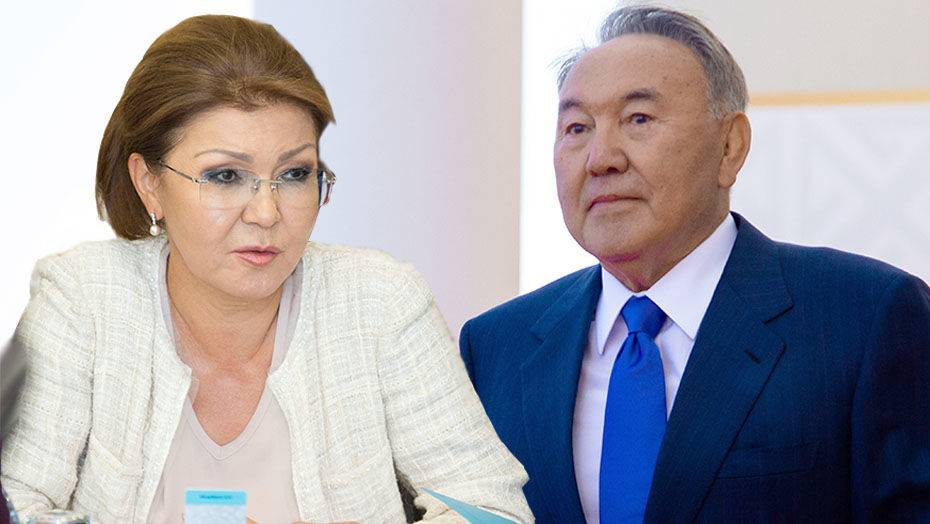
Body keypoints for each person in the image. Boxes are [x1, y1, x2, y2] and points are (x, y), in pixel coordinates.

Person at [0, 15, 531, 524]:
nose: (266, 213)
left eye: (295, 174)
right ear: (149, 183)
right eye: (225, 175)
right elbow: (13, 502)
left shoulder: (378, 301)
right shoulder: (84, 298)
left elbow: (493, 510)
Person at [460, 5, 930, 523]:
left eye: (638, 119)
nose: (600, 158)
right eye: (577, 128)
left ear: (730, 147)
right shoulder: (496, 348)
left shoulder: (863, 318)